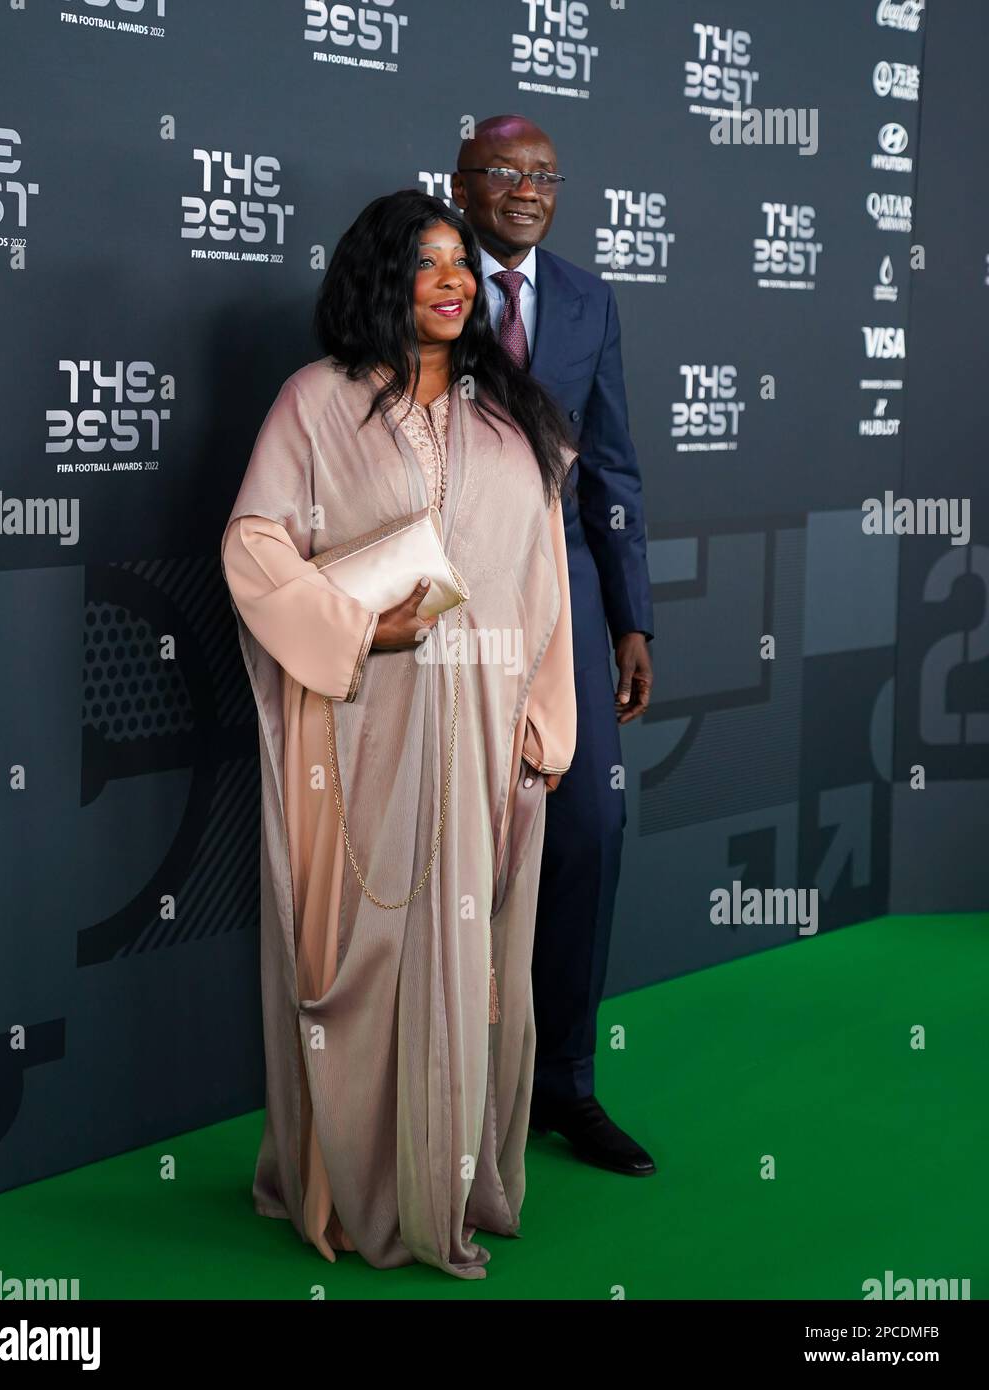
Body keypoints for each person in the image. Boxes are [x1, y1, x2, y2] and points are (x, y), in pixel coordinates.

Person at [220, 190, 577, 1280]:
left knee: (472, 963)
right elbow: (252, 547)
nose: (451, 280)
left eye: (459, 263)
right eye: (425, 262)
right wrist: (355, 628)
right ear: (379, 276)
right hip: (362, 729)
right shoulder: (314, 404)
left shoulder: (510, 417)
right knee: (361, 950)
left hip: (480, 732)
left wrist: (541, 715)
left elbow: (543, 577)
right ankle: (351, 1183)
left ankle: (448, 1180)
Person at [452, 114, 658, 1176]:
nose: (524, 190)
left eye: (542, 175)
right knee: (453, 849)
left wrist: (628, 618)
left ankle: (564, 1087)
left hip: (566, 603)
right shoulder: (427, 276)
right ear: (460, 180)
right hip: (445, 605)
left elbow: (611, 473)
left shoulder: (585, 299)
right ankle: (456, 1089)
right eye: (500, 171)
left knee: (586, 832)